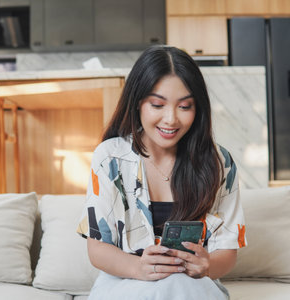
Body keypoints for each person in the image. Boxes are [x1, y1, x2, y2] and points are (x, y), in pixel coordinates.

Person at [76, 45, 247, 300]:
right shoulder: (110, 157)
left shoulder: (219, 162)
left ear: (197, 108)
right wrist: (139, 268)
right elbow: (97, 247)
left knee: (177, 284)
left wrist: (207, 265)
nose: (171, 119)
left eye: (185, 106)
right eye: (157, 104)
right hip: (126, 283)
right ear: (137, 104)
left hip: (191, 286)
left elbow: (228, 251)